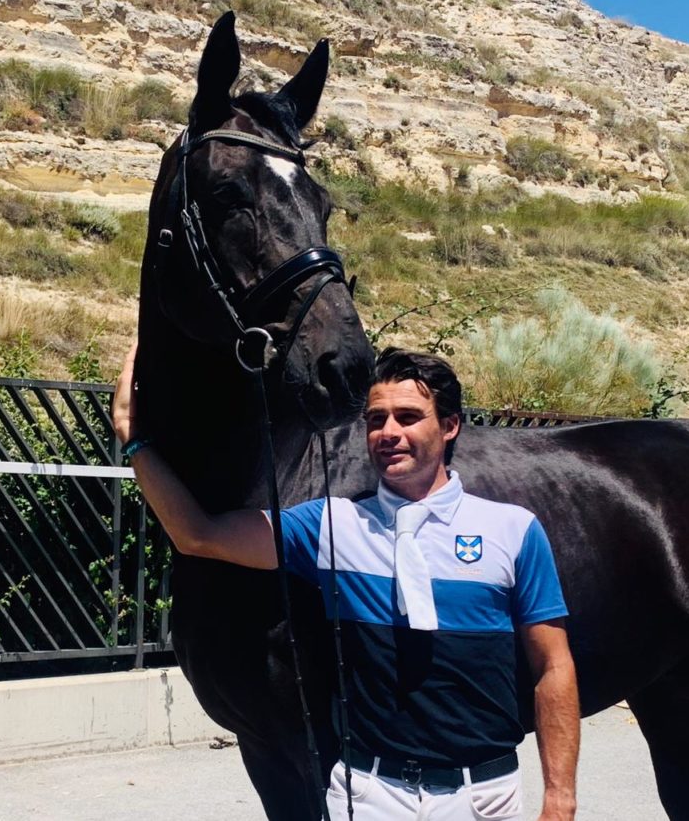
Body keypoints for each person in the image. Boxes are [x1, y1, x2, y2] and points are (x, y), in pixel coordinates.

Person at [114, 344, 579, 821]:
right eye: (376, 419)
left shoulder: (514, 531)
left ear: (450, 425)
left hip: (483, 797)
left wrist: (560, 799)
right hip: (370, 795)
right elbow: (198, 535)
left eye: (408, 416)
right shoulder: (333, 526)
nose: (388, 433)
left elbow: (553, 666)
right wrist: (133, 438)